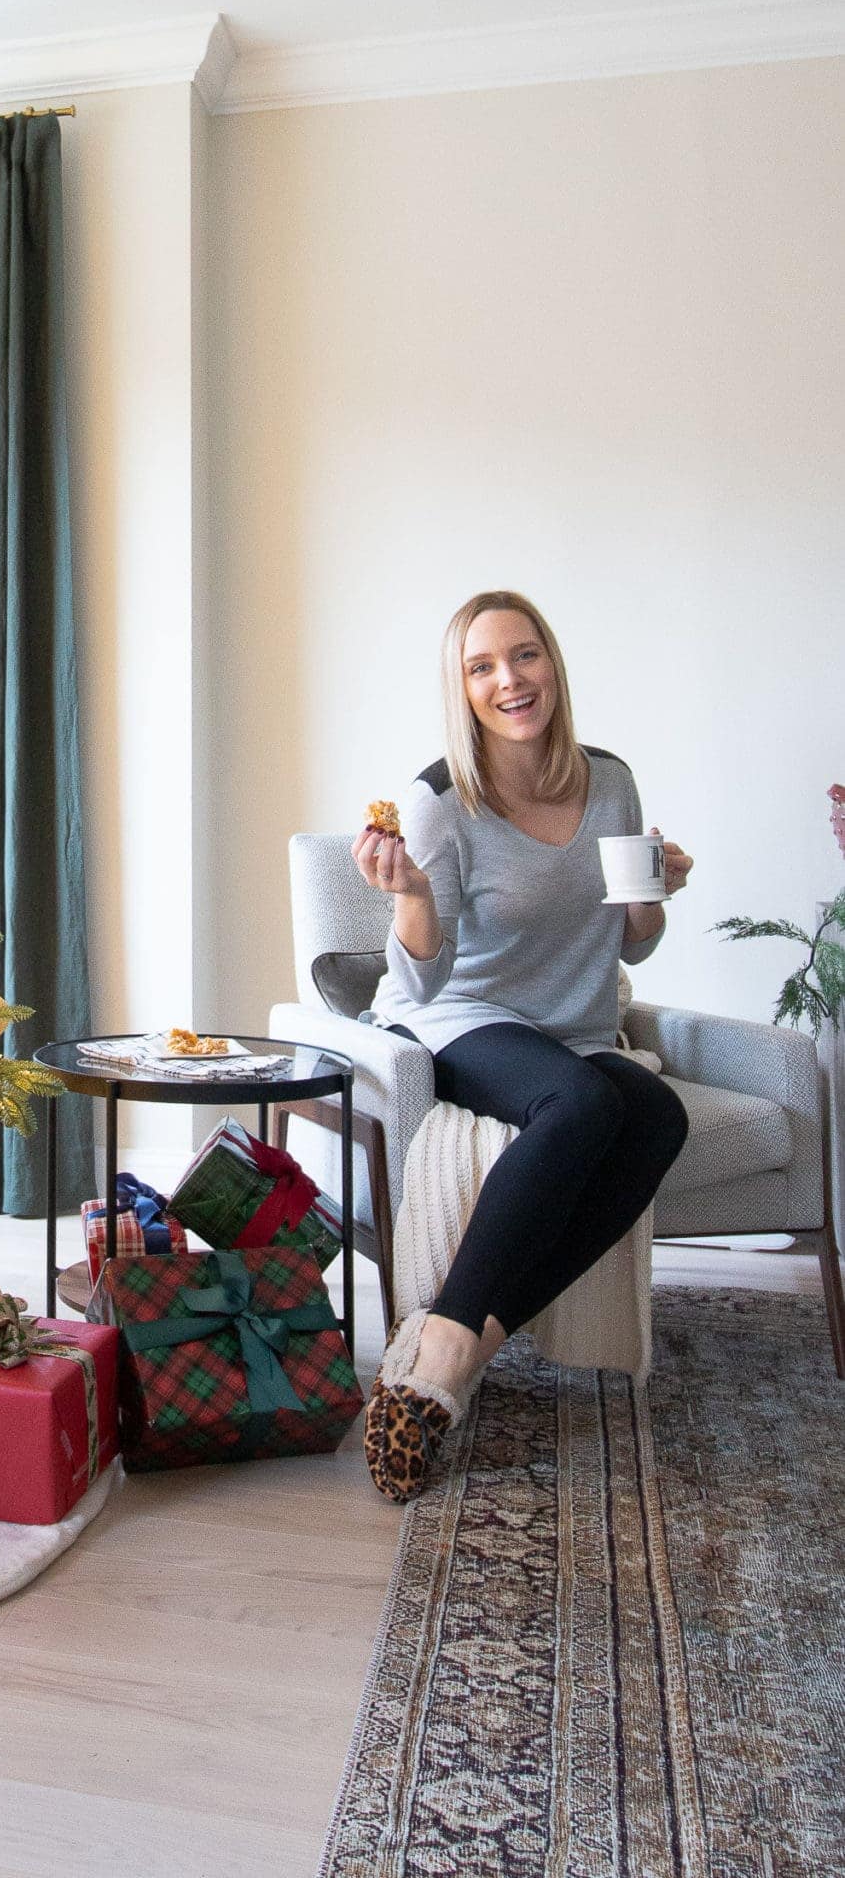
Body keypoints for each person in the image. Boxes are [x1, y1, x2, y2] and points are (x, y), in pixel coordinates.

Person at [353, 589, 692, 1502]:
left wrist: (654, 890)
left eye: (525, 656)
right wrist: (412, 897)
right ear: (461, 689)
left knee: (654, 1115)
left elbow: (633, 941)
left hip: (572, 1024)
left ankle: (465, 1343)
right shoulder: (439, 801)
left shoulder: (610, 779)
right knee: (581, 1105)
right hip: (458, 1015)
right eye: (482, 666)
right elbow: (420, 981)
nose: (510, 680)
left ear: (552, 664)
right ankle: (442, 1352)